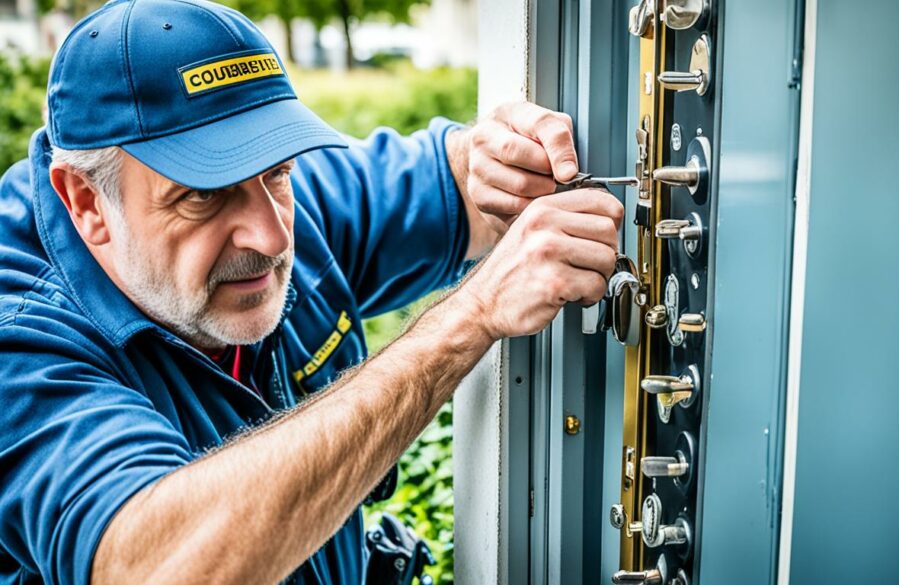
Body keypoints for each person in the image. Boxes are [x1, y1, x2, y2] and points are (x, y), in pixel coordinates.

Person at [0, 0, 622, 583]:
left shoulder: (286, 203)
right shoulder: (21, 342)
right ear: (87, 203)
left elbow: (459, 184)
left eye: (278, 171)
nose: (272, 236)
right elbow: (160, 564)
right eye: (203, 195)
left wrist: (498, 164)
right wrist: (468, 320)